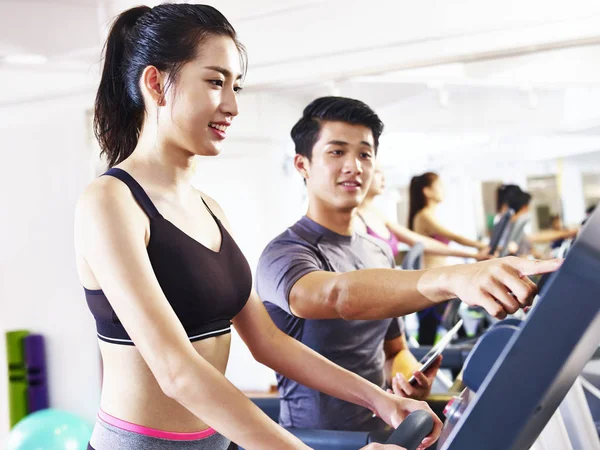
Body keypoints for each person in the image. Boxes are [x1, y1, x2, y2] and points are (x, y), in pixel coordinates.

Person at [75, 5, 437, 450]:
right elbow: (175, 371)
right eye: (214, 82)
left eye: (235, 86)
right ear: (156, 84)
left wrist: (380, 399)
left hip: (219, 442)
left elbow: (268, 341)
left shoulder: (209, 208)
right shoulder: (110, 201)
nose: (231, 105)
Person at [255, 96, 561, 433]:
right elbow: (334, 296)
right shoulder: (285, 254)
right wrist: (452, 278)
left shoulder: (377, 251)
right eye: (337, 152)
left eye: (365, 154)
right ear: (302, 165)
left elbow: (393, 349)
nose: (354, 166)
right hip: (320, 440)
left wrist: (407, 376)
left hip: (389, 429)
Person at [355, 165, 491, 263]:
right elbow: (454, 237)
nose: (383, 178)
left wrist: (474, 255)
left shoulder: (378, 215)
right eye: (377, 172)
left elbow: (422, 242)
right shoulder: (355, 218)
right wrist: (479, 250)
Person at [408, 172, 487, 269]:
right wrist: (484, 246)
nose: (444, 190)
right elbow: (455, 237)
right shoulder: (424, 216)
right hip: (432, 274)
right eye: (439, 186)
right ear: (427, 191)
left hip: (439, 271)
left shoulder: (429, 215)